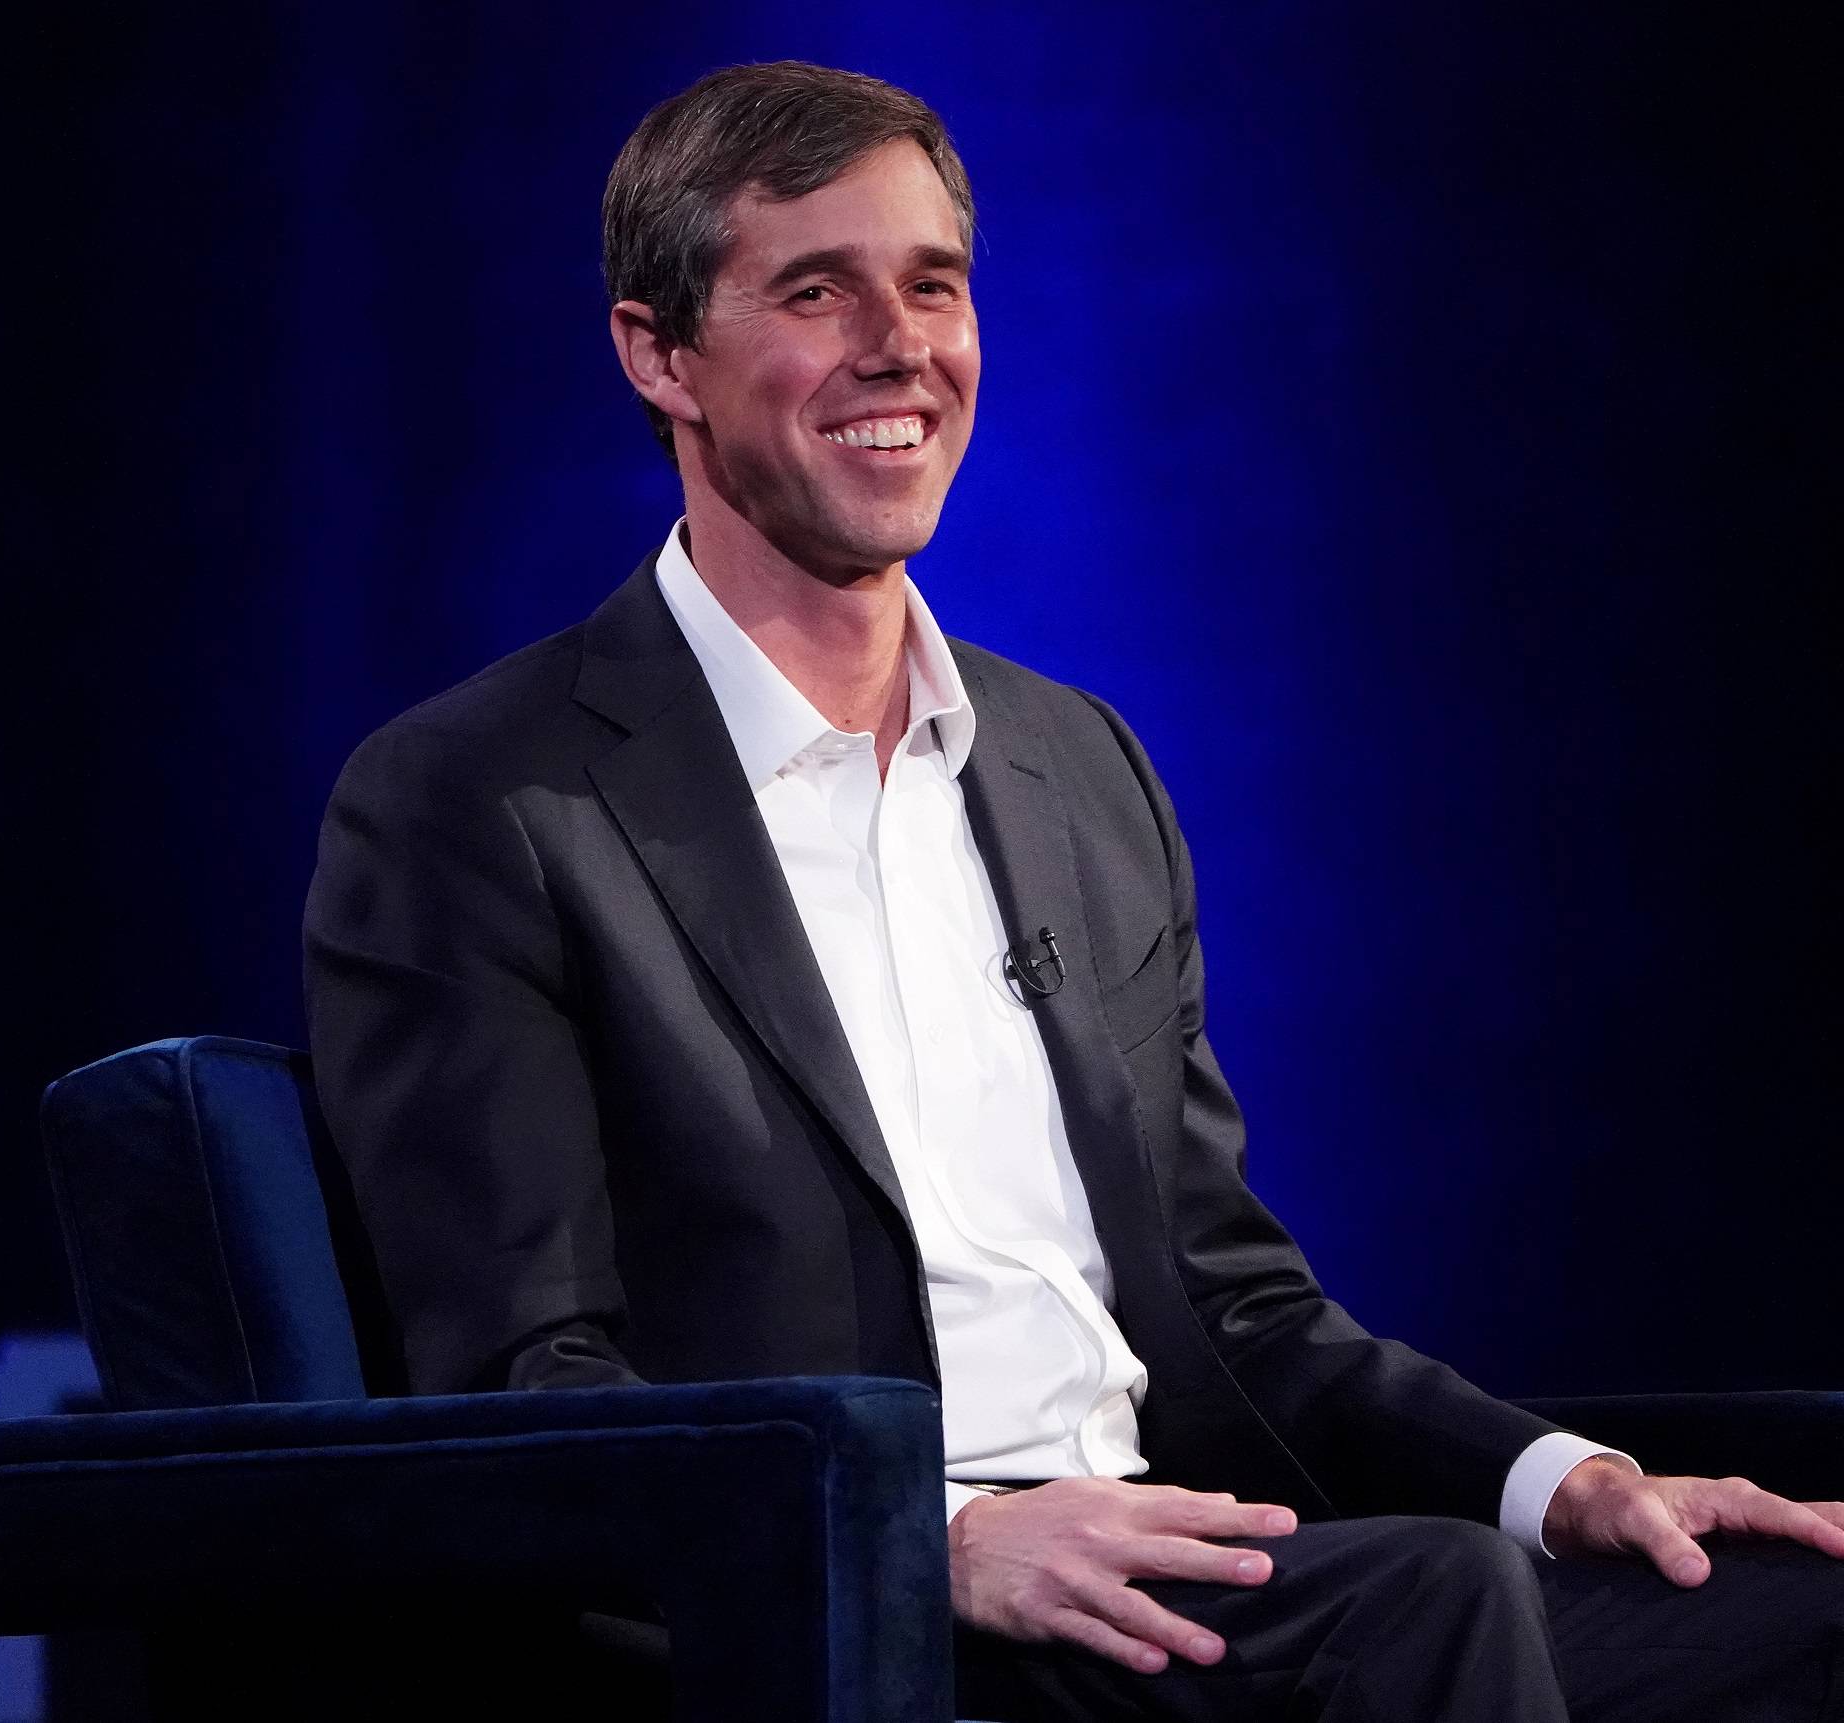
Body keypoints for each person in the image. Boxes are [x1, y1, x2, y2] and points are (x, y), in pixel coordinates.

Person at [302, 60, 1843, 1721]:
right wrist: (940, 1539)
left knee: (1789, 1611)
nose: (899, 347)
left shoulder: (1074, 766)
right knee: (1426, 1609)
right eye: (816, 292)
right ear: (659, 354)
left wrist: (1564, 1479)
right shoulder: (482, 801)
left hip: (1181, 1577)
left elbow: (1236, 1306)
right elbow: (533, 1383)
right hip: (835, 1619)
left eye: (934, 287)